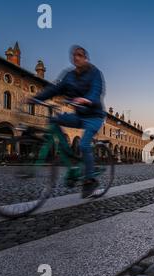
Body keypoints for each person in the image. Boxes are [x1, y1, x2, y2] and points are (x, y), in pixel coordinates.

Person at [29, 45, 106, 198]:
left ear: (85, 58)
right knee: (55, 120)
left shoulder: (95, 73)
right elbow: (55, 89)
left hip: (94, 116)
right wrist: (37, 98)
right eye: (74, 55)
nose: (76, 57)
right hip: (79, 116)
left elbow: (96, 91)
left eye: (79, 55)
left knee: (84, 144)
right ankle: (70, 160)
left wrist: (86, 99)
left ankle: (90, 180)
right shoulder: (69, 75)